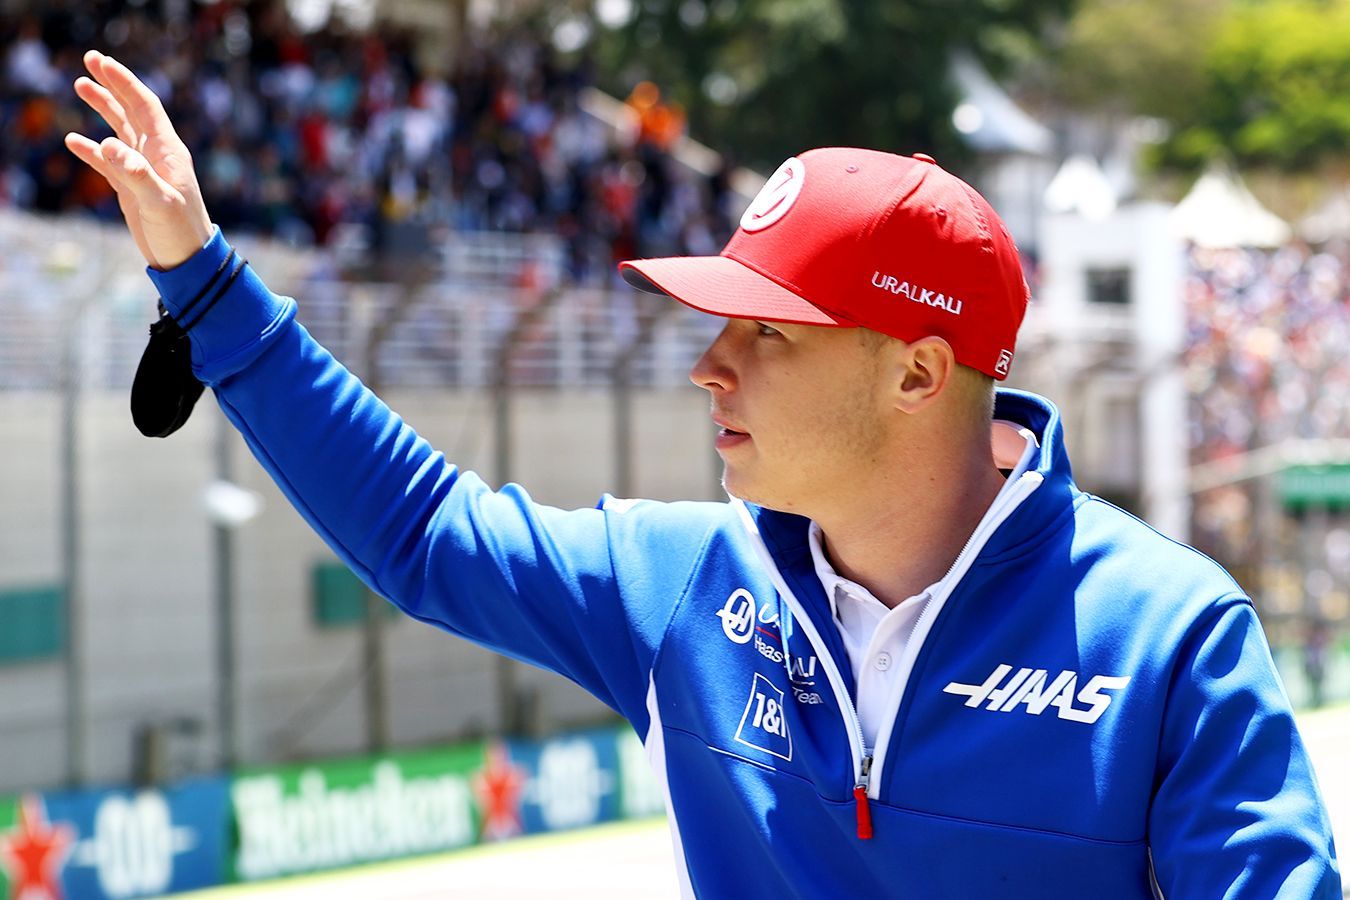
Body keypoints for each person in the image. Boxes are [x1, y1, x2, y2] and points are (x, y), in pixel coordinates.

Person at [64, 50, 1339, 898]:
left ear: (916, 374)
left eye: (766, 334)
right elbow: (425, 530)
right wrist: (207, 285)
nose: (707, 367)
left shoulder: (1169, 636)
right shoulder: (680, 583)